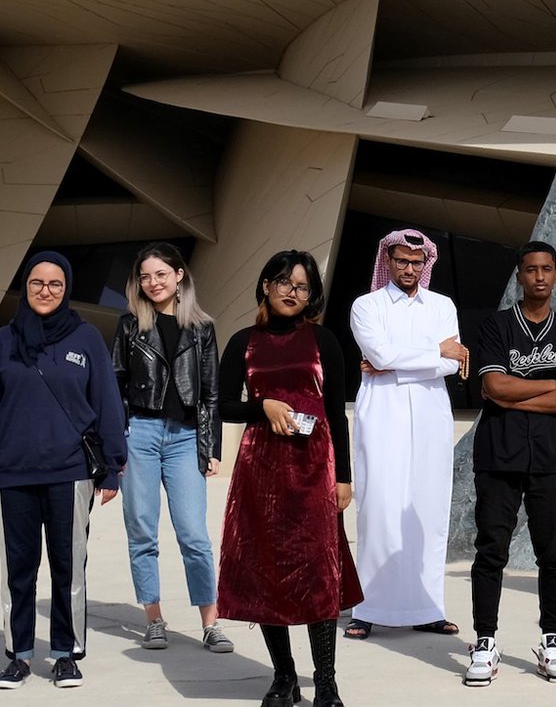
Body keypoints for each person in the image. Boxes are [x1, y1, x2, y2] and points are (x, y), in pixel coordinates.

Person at [217, 250, 361, 707]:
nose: (290, 291)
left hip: (315, 470)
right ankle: (283, 678)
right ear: (265, 285)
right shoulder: (243, 341)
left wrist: (344, 477)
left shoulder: (324, 341)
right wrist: (262, 406)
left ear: (310, 294)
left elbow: (337, 414)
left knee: (319, 573)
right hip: (260, 472)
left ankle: (327, 682)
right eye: (282, 281)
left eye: (300, 286)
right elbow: (222, 406)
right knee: (267, 572)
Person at [0, 252, 127, 690]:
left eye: (55, 284)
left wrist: (112, 468)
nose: (46, 291)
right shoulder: (4, 340)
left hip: (70, 472)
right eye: (37, 283)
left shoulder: (86, 338)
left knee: (68, 567)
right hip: (12, 474)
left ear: (67, 288)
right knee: (16, 569)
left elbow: (108, 403)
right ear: (25, 286)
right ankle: (16, 655)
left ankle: (66, 653)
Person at [467, 242, 556, 686]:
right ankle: (485, 641)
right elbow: (493, 387)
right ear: (519, 275)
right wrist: (547, 387)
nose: (539, 276)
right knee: (491, 549)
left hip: (551, 456)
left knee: (552, 551)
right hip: (498, 452)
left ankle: (552, 638)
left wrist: (515, 394)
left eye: (547, 269)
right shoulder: (496, 325)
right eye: (531, 269)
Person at [344, 229, 467, 641]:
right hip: (382, 412)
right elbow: (379, 353)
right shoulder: (367, 305)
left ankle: (428, 608)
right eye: (401, 261)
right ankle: (368, 608)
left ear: (426, 264)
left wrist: (397, 362)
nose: (409, 269)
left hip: (431, 411)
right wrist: (434, 354)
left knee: (428, 510)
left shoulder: (442, 305)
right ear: (388, 260)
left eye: (417, 263)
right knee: (378, 506)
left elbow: (454, 366)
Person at [111, 242, 232, 654]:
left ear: (179, 275)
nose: (153, 282)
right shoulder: (130, 326)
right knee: (142, 530)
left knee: (194, 535)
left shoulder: (202, 328)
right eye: (145, 276)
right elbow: (116, 388)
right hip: (139, 435)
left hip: (183, 439)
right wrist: (115, 446)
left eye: (161, 274)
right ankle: (154, 618)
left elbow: (212, 394)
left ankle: (211, 624)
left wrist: (210, 446)